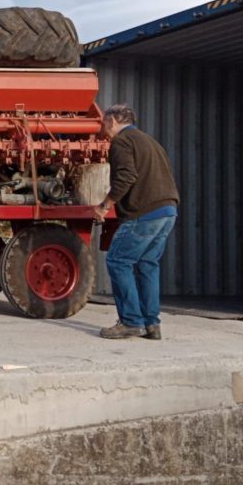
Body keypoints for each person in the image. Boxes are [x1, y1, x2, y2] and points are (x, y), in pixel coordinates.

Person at [93, 104, 179, 340]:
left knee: (118, 261)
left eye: (103, 123)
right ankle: (152, 324)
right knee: (147, 264)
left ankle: (131, 322)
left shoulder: (121, 141)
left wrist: (104, 205)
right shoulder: (150, 141)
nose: (103, 129)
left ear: (112, 121)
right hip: (167, 211)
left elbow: (126, 176)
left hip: (144, 212)